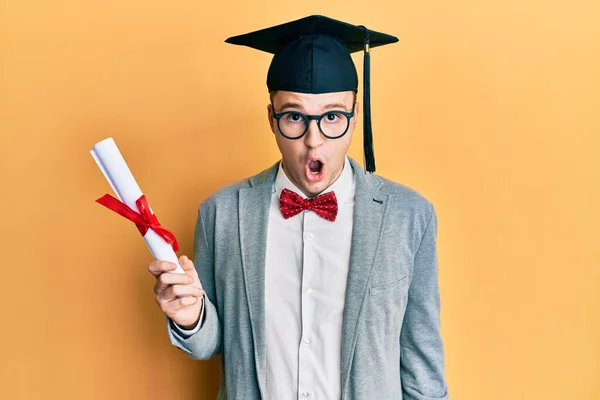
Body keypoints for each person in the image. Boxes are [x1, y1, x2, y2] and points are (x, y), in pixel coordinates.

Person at [148, 15, 448, 400]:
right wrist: (190, 318)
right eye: (294, 117)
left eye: (332, 117)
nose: (313, 140)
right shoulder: (221, 213)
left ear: (354, 118)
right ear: (271, 119)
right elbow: (209, 343)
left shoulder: (410, 215)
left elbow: (422, 363)